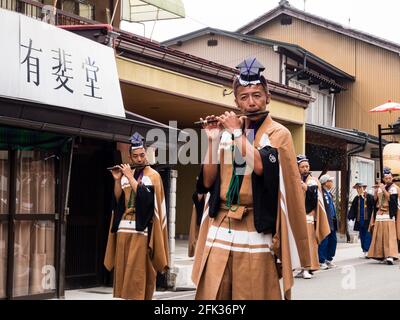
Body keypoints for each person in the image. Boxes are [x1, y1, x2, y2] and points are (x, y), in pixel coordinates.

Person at [191, 57, 310, 300]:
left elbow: (261, 167)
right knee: (214, 294)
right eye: (244, 97)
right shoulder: (227, 133)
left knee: (254, 293)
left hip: (255, 224)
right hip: (221, 222)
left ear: (268, 97)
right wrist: (213, 140)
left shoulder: (279, 133)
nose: (251, 102)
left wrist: (236, 132)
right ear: (236, 101)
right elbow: (207, 180)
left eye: (257, 95)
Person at [104, 134, 169, 299]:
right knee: (124, 269)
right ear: (129, 157)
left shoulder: (153, 175)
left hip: (142, 230)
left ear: (146, 154)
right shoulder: (127, 174)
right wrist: (118, 180)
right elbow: (119, 201)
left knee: (138, 271)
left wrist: (130, 177)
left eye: (142, 155)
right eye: (135, 156)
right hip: (124, 229)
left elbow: (147, 201)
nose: (139, 159)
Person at [296, 156, 330, 279]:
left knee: (309, 243)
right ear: (298, 168)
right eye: (302, 167)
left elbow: (315, 200)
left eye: (307, 166)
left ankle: (307, 267)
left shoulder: (313, 181)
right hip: (297, 216)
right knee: (299, 244)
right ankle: (302, 268)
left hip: (308, 216)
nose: (305, 169)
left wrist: (306, 188)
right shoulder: (294, 179)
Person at [367, 168, 399, 264]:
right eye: (386, 178)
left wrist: (383, 189)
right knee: (380, 235)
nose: (388, 180)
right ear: (383, 179)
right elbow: (375, 201)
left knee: (390, 235)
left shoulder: (394, 188)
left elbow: (392, 200)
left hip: (389, 213)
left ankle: (391, 255)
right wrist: (376, 193)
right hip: (380, 213)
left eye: (389, 178)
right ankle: (381, 254)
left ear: (392, 178)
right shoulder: (381, 187)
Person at [348, 182, 375, 257]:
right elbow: (353, 209)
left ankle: (368, 250)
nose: (358, 189)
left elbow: (374, 208)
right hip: (360, 220)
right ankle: (364, 250)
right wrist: (351, 218)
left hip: (368, 220)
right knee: (362, 235)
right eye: (357, 188)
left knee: (368, 235)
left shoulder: (370, 197)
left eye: (360, 188)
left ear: (364, 188)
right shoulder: (356, 198)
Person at [318, 174, 338, 268]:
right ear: (325, 183)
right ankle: (321, 260)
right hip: (325, 220)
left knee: (333, 240)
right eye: (330, 181)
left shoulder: (329, 193)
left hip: (332, 220)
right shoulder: (321, 193)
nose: (332, 183)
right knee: (324, 240)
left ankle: (328, 259)